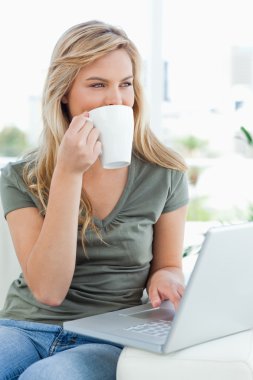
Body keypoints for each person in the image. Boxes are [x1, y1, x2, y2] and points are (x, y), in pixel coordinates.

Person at [0, 20, 189, 380]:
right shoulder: (20, 176)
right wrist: (68, 174)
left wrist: (166, 277)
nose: (116, 100)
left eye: (126, 84)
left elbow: (168, 264)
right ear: (64, 94)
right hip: (23, 326)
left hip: (106, 336)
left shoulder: (165, 172)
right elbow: (48, 290)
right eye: (97, 85)